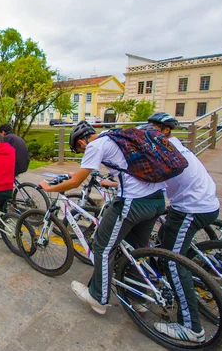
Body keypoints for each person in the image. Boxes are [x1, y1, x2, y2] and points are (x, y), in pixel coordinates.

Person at [38, 121, 165, 315]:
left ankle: (98, 297)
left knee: (102, 247)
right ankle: (138, 297)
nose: (83, 152)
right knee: (135, 249)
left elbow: (74, 183)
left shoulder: (95, 145)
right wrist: (81, 172)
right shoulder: (113, 135)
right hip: (156, 199)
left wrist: (49, 188)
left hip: (132, 202)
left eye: (80, 150)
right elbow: (115, 165)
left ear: (81, 141)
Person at [145, 112, 220, 343]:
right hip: (203, 202)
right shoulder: (176, 145)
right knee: (167, 237)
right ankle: (183, 282)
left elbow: (149, 180)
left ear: (166, 130)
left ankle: (191, 328)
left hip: (191, 208)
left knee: (173, 261)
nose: (149, 130)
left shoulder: (164, 151)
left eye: (153, 127)